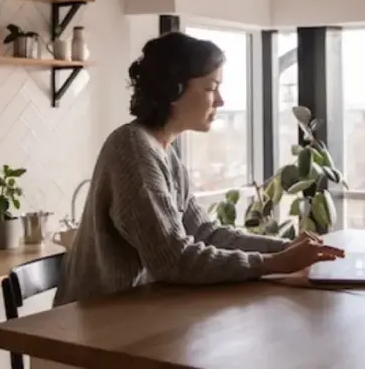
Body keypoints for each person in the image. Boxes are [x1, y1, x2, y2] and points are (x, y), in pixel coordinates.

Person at [54, 31, 345, 306]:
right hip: (86, 332)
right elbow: (172, 259)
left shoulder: (163, 153)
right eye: (211, 88)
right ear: (173, 90)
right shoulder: (134, 150)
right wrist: (273, 263)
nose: (220, 100)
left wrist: (284, 248)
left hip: (134, 313)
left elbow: (205, 233)